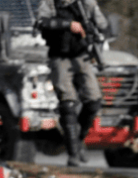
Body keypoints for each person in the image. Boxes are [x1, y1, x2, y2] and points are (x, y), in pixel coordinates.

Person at [36, 0, 108, 167]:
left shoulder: (85, 4)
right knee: (67, 104)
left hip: (81, 55)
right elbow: (41, 22)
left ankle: (79, 139)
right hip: (59, 57)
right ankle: (73, 153)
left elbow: (103, 24)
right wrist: (68, 24)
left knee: (94, 101)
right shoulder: (50, 3)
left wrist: (93, 20)